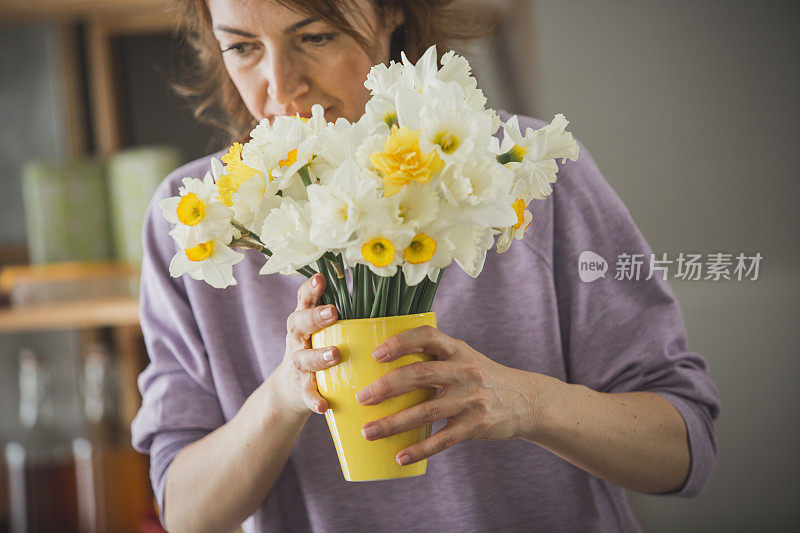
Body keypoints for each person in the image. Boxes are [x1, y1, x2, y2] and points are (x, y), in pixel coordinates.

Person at [131, 0, 722, 531]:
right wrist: (286, 394)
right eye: (242, 47)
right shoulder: (199, 222)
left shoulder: (521, 176)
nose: (279, 90)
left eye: (315, 36)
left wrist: (527, 404)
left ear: (391, 11)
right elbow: (184, 512)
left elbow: (684, 448)